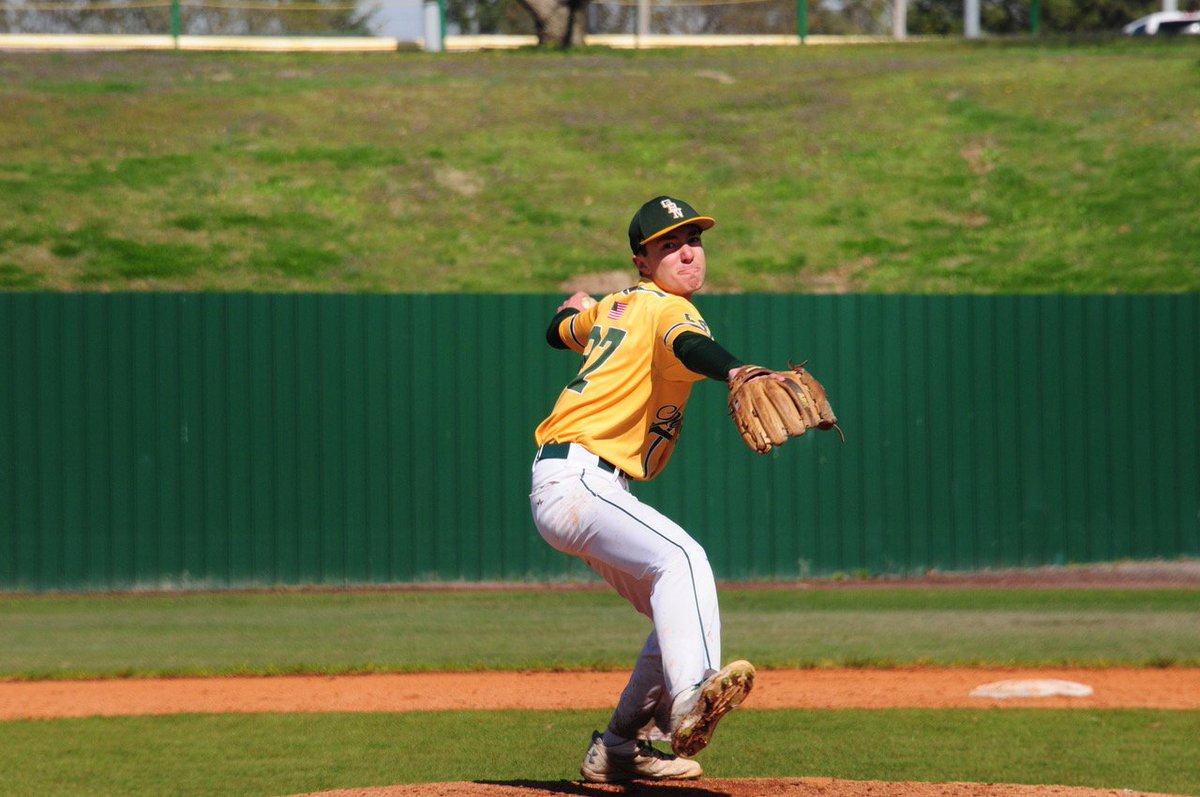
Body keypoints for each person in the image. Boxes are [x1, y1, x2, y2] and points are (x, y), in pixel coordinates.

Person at [529, 195, 757, 784]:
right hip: (581, 479)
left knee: (670, 606)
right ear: (642, 261)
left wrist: (572, 309)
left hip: (575, 482)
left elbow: (560, 331)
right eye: (669, 245)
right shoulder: (663, 307)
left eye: (695, 240)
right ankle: (689, 700)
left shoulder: (614, 308)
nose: (687, 252)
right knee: (682, 558)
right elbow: (687, 345)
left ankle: (620, 748)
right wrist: (734, 369)